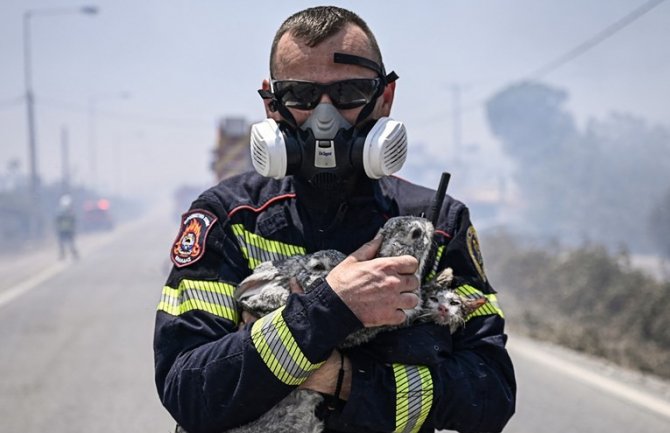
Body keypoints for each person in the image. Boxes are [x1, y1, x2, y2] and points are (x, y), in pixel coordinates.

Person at [154, 6, 516, 433]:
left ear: (385, 97)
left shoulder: (435, 224)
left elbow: (490, 395)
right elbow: (190, 391)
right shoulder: (227, 218)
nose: (325, 118)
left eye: (349, 93)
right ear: (272, 104)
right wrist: (330, 307)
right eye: (301, 96)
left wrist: (343, 378)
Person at [55, 194, 78, 260]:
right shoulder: (61, 212)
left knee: (70, 244)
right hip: (63, 231)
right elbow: (57, 221)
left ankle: (74, 255)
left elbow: (73, 221)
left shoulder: (69, 212)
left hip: (68, 230)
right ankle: (64, 256)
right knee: (63, 244)